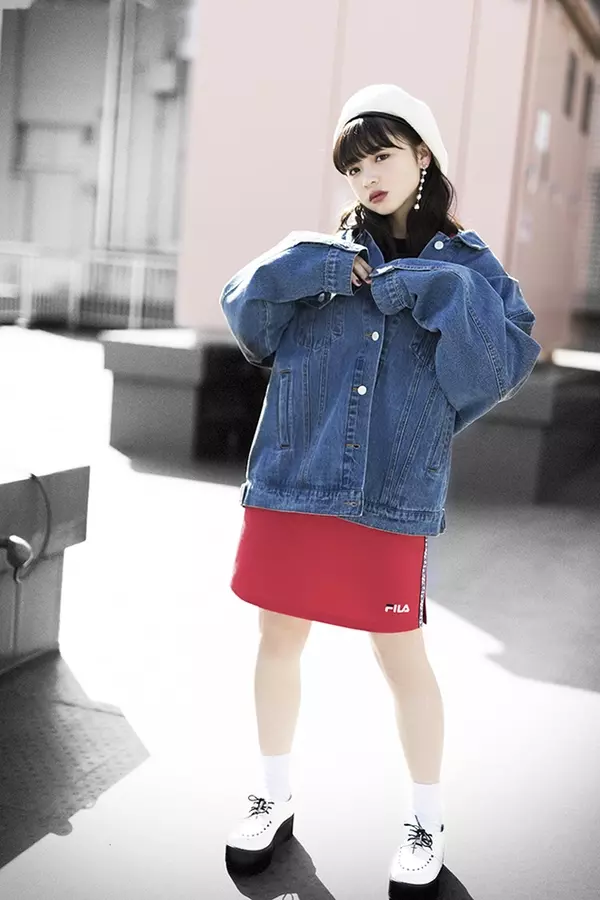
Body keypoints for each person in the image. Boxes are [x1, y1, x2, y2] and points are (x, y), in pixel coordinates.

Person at [219, 83, 541, 891]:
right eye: (354, 167)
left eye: (383, 157)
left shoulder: (470, 267)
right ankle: (271, 795)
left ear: (422, 155)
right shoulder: (318, 254)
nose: (368, 177)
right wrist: (314, 267)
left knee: (401, 656)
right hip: (295, 475)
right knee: (277, 638)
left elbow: (499, 368)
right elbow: (246, 315)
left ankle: (426, 821)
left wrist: (440, 293)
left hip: (392, 487)